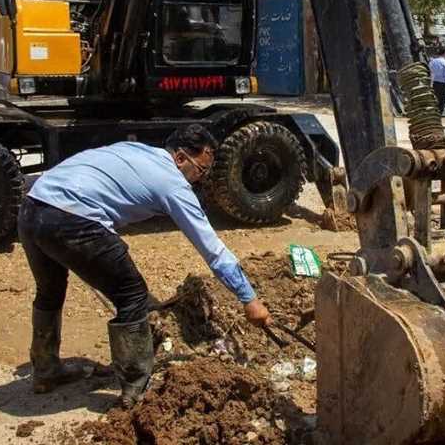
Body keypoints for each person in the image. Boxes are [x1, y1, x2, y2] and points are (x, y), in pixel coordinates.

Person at [18, 125, 272, 407]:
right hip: (71, 218)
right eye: (200, 171)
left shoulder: (140, 151)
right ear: (180, 158)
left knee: (50, 291)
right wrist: (249, 299)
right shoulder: (172, 183)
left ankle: (45, 370)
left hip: (32, 208)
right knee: (132, 294)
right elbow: (213, 250)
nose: (199, 180)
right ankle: (136, 390)